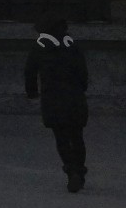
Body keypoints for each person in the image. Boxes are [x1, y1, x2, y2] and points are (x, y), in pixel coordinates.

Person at [25, 17, 90, 191]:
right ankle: (80, 170)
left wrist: (32, 93)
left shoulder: (39, 47)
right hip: (75, 96)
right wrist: (81, 88)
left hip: (53, 97)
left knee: (61, 137)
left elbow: (30, 72)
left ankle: (71, 170)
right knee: (77, 136)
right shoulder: (73, 46)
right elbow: (83, 71)